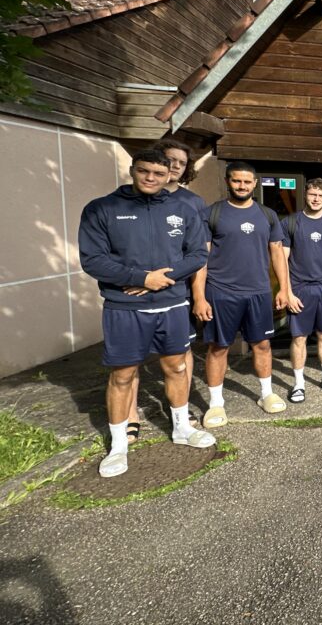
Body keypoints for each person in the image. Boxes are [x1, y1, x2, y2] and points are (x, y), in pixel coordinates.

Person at [79, 149, 214, 477]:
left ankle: (182, 428)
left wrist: (161, 279)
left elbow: (198, 253)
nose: (151, 178)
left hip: (172, 304)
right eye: (144, 171)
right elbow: (92, 260)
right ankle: (118, 445)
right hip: (125, 308)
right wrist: (141, 279)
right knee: (123, 375)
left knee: (177, 367)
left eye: (158, 172)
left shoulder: (183, 209)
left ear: (170, 174)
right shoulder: (103, 208)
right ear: (132, 170)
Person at [192, 162, 290, 427]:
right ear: (228, 181)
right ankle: (215, 404)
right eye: (237, 181)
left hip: (258, 292)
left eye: (247, 182)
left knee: (262, 345)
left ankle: (266, 394)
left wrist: (283, 289)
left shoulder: (267, 215)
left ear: (255, 183)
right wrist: (199, 297)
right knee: (218, 348)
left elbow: (278, 255)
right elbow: (201, 259)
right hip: (221, 292)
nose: (242, 186)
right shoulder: (212, 214)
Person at [121, 138, 205, 442]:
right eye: (169, 160)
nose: (173, 167)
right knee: (129, 360)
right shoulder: (123, 201)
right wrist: (140, 278)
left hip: (175, 294)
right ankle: (129, 415)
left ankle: (180, 411)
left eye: (180, 164)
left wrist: (196, 294)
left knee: (180, 356)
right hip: (130, 294)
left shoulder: (192, 204)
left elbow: (199, 254)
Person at [281, 178, 322, 402]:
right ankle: (298, 384)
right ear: (305, 195)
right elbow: (282, 259)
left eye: (321, 195)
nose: (316, 198)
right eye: (312, 194)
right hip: (300, 288)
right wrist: (287, 292)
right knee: (299, 337)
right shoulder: (291, 222)